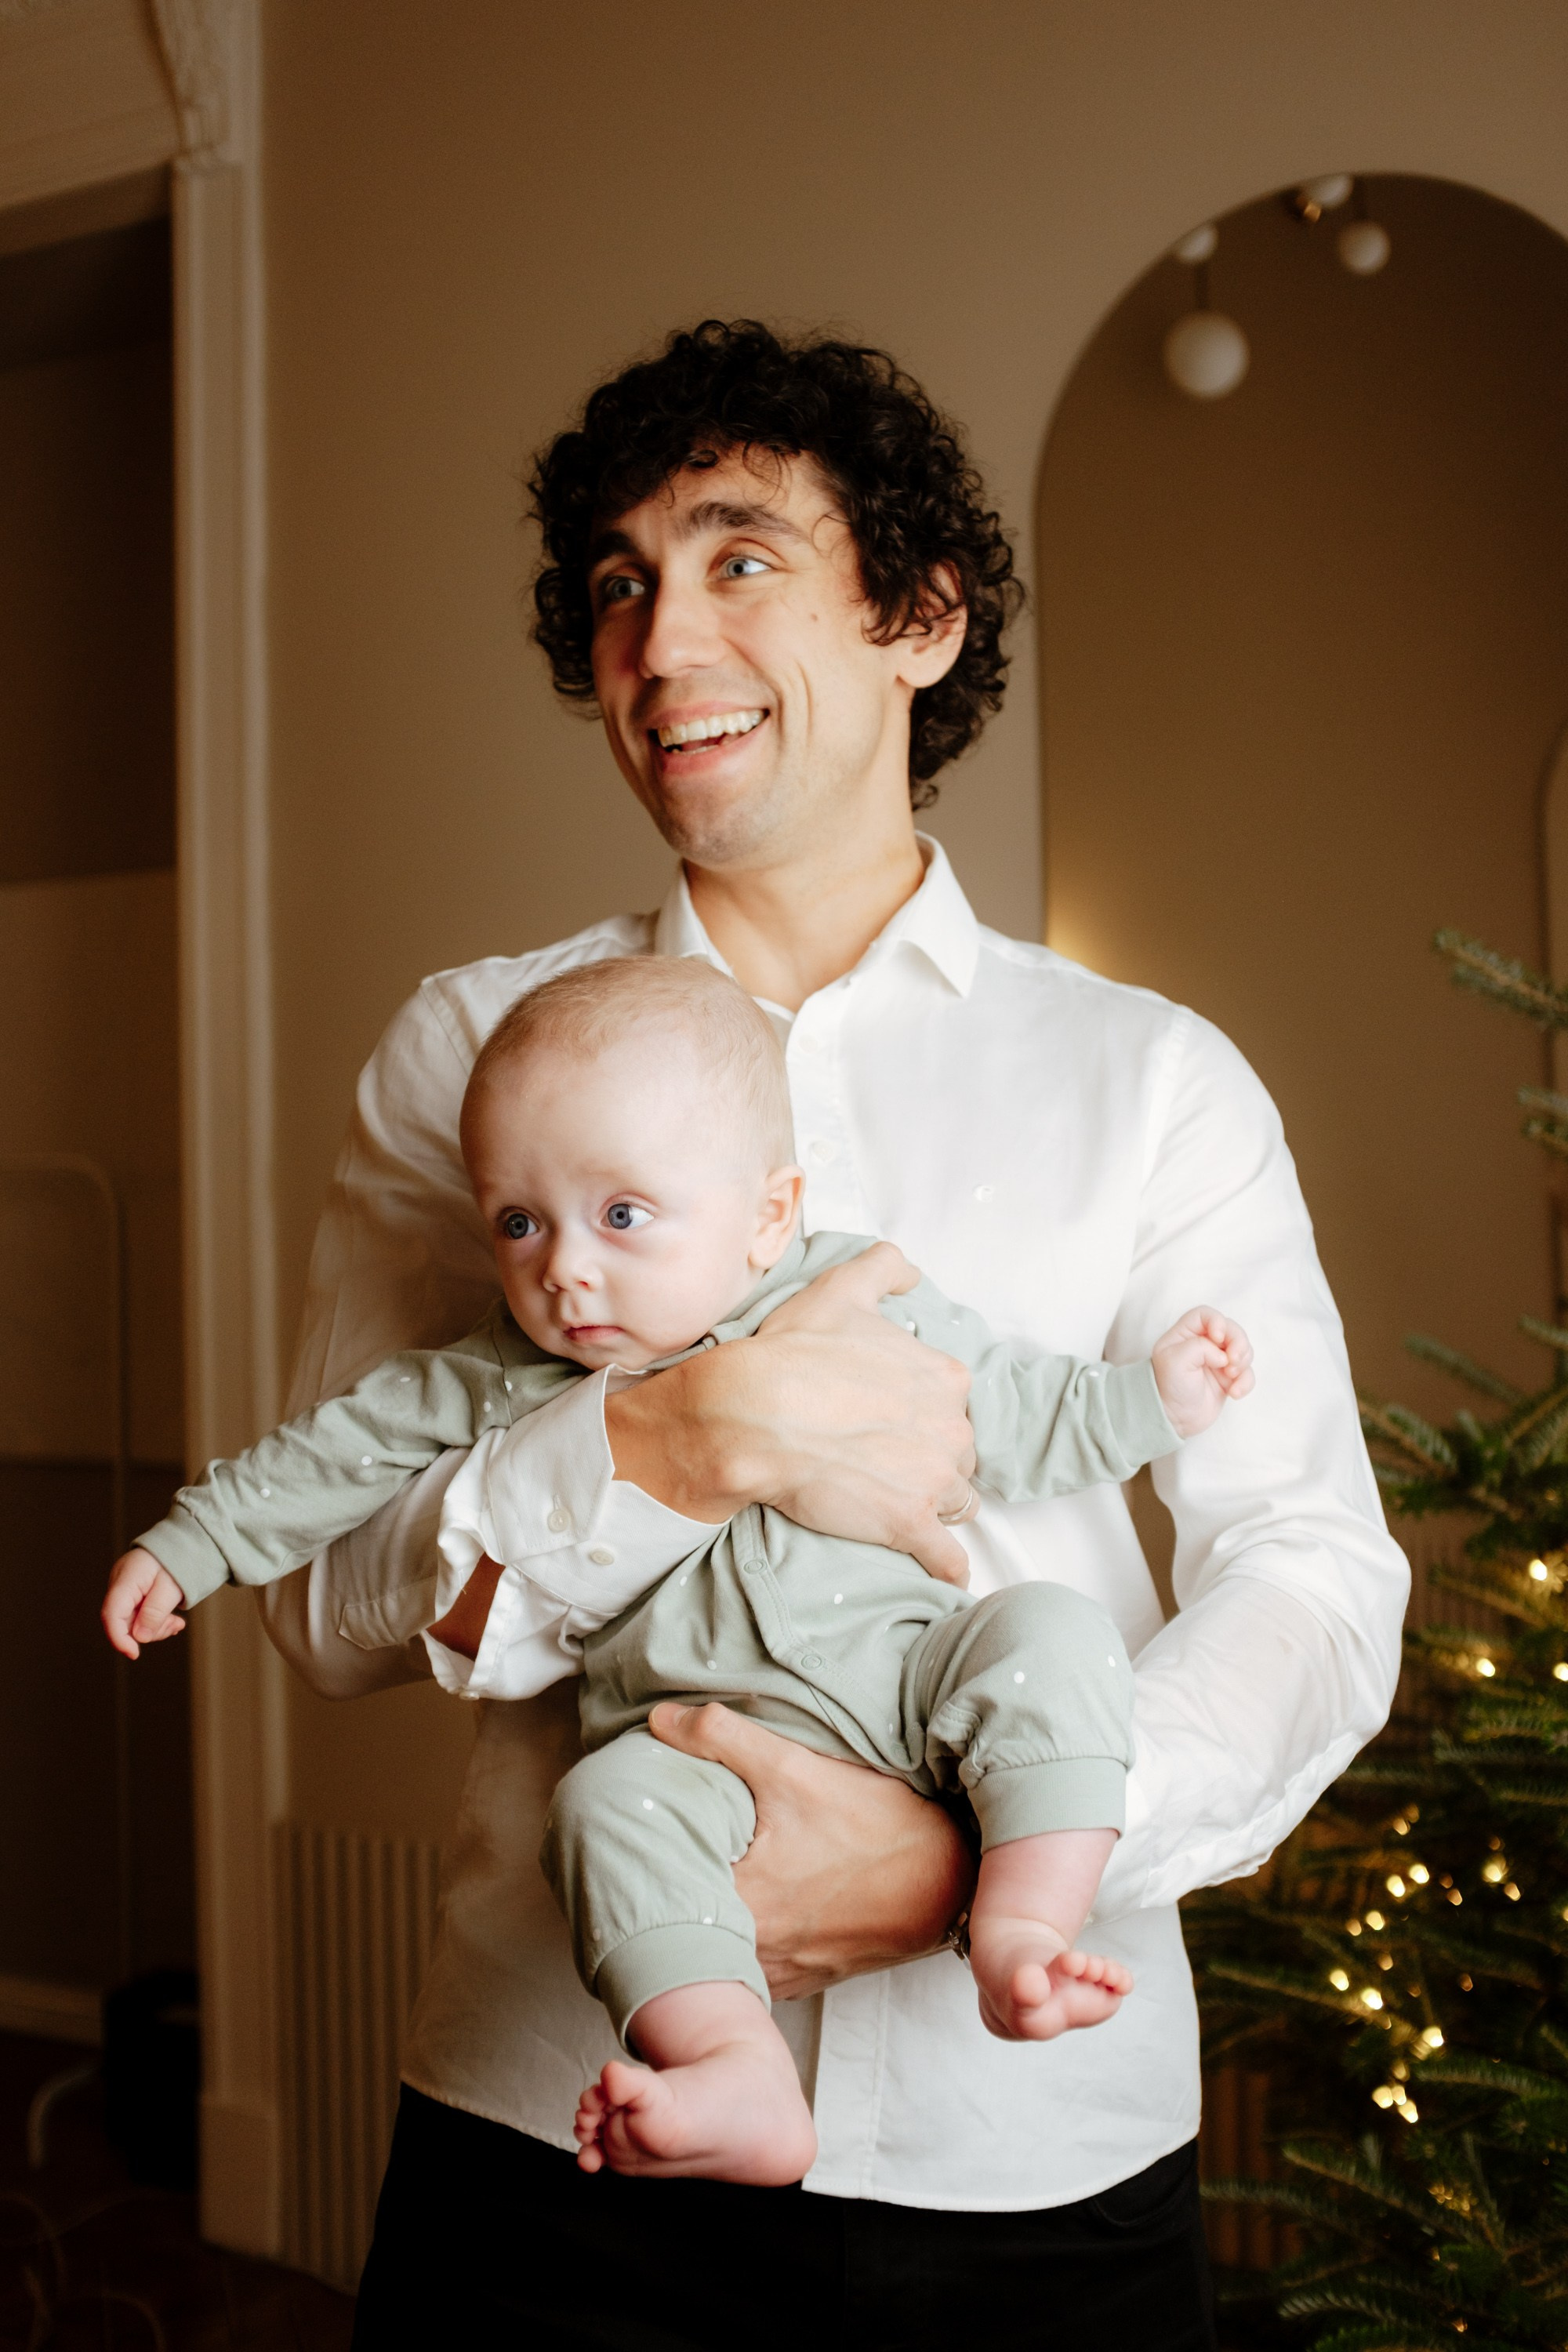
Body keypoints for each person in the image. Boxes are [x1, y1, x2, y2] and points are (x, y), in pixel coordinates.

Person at [258, 321, 1408, 2348]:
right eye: (617, 584)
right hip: (561, 2124)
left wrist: (997, 1852)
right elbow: (328, 1591)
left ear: (922, 617)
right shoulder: (465, 1052)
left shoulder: (1155, 1080)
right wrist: (674, 1444)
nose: (657, 636)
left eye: (736, 556)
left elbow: (1310, 1571)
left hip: (1028, 2151)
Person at [104, 953, 1255, 2187]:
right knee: (598, 1816)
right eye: (518, 1222)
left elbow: (1021, 1412)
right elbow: (337, 1454)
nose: (564, 1270)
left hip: (919, 1686)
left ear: (768, 1216)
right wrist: (197, 1540)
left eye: (621, 1217)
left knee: (1051, 1636)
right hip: (687, 1743)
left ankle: (1023, 1924)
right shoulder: (506, 1366)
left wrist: (1151, 1400)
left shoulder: (855, 1291)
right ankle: (733, 2069)